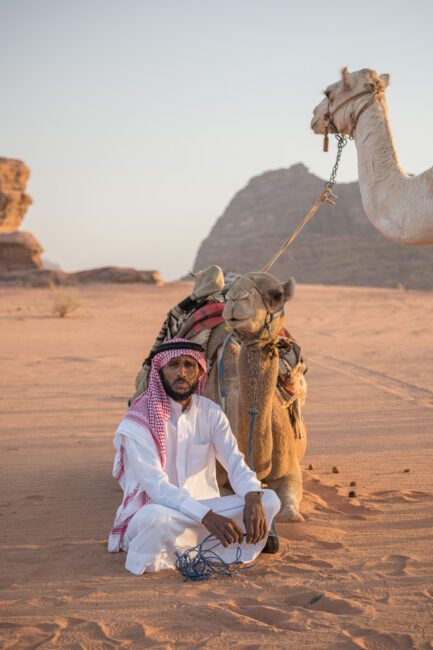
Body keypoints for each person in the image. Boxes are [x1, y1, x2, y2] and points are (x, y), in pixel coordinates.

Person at [108, 337, 281, 575]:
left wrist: (252, 495)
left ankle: (192, 548)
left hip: (207, 514)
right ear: (161, 371)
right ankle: (214, 548)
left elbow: (234, 462)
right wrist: (206, 516)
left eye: (189, 365)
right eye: (174, 365)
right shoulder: (139, 420)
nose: (182, 372)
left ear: (200, 372)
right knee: (153, 518)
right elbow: (156, 487)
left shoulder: (210, 412)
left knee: (269, 499)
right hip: (163, 513)